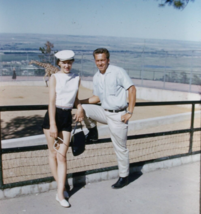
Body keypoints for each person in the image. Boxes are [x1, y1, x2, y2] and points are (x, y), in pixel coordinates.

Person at [81, 48, 136, 189]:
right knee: (84, 109)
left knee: (120, 148)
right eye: (97, 60)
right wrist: (79, 102)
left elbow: (132, 89)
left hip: (118, 115)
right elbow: (97, 98)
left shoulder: (118, 72)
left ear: (108, 60)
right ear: (95, 61)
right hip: (104, 112)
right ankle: (93, 133)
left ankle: (124, 177)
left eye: (103, 60)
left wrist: (129, 112)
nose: (100, 63)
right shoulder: (96, 77)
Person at [42, 50, 84, 208]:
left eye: (69, 62)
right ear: (59, 63)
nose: (67, 65)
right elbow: (51, 101)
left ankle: (60, 191)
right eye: (64, 62)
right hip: (53, 116)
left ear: (72, 62)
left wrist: (79, 108)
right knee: (53, 153)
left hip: (67, 117)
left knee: (62, 156)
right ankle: (61, 190)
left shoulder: (76, 78)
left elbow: (75, 98)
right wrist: (52, 124)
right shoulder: (54, 77)